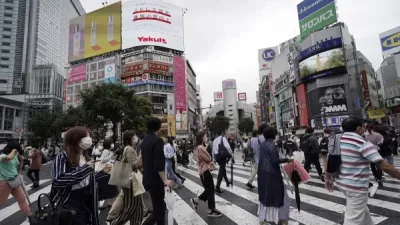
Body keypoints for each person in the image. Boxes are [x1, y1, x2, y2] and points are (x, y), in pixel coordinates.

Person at [336, 117, 400, 225]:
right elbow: (385, 166)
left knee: (363, 214)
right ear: (359, 128)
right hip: (356, 187)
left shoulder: (338, 140)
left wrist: (328, 177)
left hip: (342, 183)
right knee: (352, 220)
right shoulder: (361, 143)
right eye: (362, 127)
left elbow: (330, 159)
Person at [51, 127, 107, 225]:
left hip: (86, 198)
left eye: (89, 136)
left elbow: (87, 179)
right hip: (70, 200)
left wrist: (102, 172)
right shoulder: (63, 156)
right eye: (86, 136)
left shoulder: (85, 156)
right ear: (75, 139)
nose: (89, 139)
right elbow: (58, 181)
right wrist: (85, 169)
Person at [107, 131, 144, 225]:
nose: (136, 138)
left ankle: (136, 223)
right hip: (131, 181)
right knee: (132, 205)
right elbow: (134, 165)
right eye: (134, 136)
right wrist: (140, 156)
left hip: (131, 180)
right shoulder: (130, 149)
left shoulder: (128, 148)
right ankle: (115, 223)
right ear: (130, 138)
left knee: (138, 206)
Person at [258, 127, 293, 225]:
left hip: (262, 173)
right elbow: (275, 161)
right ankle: (283, 220)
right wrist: (287, 160)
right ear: (273, 135)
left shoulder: (262, 145)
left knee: (265, 196)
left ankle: (262, 220)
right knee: (281, 197)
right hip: (272, 174)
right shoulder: (272, 146)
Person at [141, 117, 173, 225]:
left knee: (160, 207)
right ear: (159, 128)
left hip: (147, 179)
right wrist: (165, 180)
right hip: (155, 181)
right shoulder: (157, 141)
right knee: (159, 210)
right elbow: (159, 165)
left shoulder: (144, 141)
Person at [190, 131, 222, 217]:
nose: (206, 138)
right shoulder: (201, 148)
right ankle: (210, 210)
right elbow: (208, 157)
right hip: (205, 171)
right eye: (205, 136)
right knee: (210, 189)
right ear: (201, 138)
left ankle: (206, 206)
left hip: (203, 171)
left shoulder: (198, 147)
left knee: (209, 190)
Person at [0, 142, 33, 222]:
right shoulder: (2, 156)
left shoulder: (15, 156)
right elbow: (8, 158)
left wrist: (21, 161)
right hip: (5, 182)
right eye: (17, 150)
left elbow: (18, 170)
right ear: (12, 149)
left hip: (15, 181)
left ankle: (30, 217)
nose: (18, 152)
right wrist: (14, 151)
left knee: (22, 199)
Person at [97, 139, 119, 210]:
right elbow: (103, 160)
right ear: (109, 144)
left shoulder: (108, 151)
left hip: (108, 171)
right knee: (110, 188)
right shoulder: (106, 151)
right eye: (112, 143)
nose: (113, 144)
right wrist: (111, 156)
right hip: (106, 171)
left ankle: (110, 204)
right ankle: (110, 205)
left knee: (111, 188)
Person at [246, 124, 267, 189]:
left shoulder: (250, 140)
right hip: (259, 156)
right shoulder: (258, 139)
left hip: (252, 156)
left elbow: (247, 148)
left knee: (255, 169)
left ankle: (250, 182)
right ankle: (250, 182)